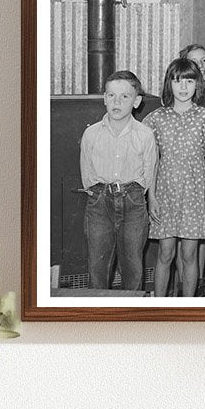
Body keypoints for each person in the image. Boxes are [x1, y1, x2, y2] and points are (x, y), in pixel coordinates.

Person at [143, 58, 205, 297]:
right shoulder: (156, 118)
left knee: (189, 254)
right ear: (170, 84)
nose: (184, 87)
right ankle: (159, 306)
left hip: (195, 195)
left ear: (197, 84)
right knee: (165, 253)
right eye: (178, 81)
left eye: (189, 81)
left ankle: (187, 306)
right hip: (165, 193)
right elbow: (152, 161)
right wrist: (152, 197)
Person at [79, 70, 157, 292]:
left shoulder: (144, 135)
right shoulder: (92, 134)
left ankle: (131, 317)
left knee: (132, 266)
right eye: (111, 95)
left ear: (136, 101)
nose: (117, 102)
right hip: (99, 203)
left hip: (133, 203)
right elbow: (87, 172)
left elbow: (148, 172)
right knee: (97, 266)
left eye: (125, 96)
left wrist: (134, 192)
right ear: (104, 98)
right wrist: (96, 192)